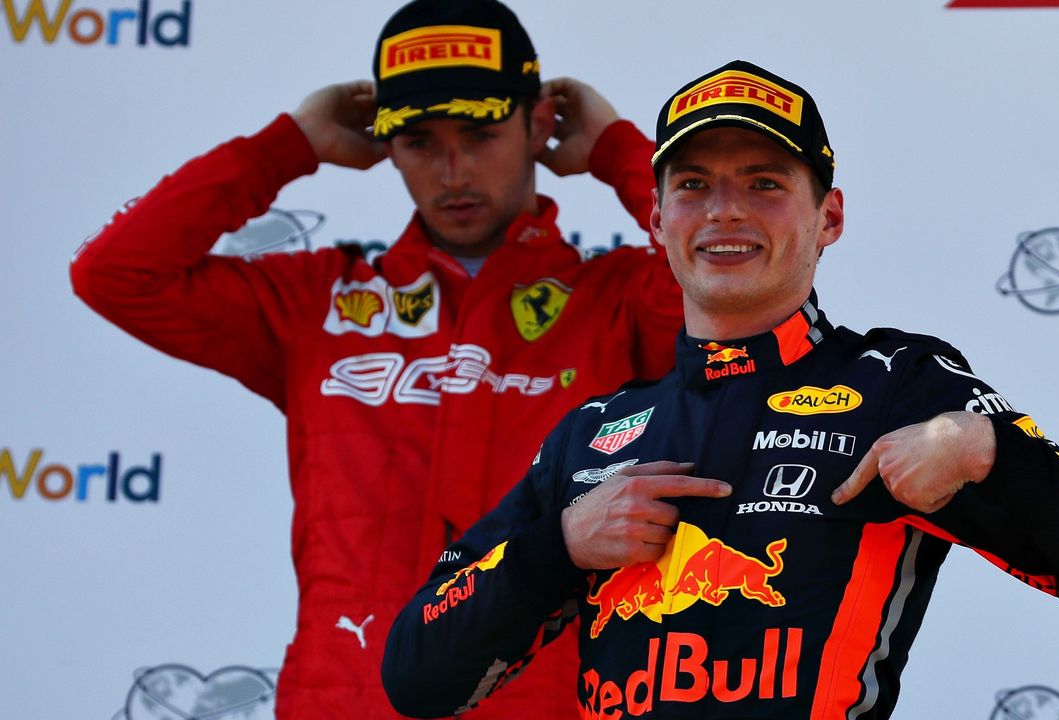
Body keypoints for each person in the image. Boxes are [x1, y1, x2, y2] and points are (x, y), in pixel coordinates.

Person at [380, 60, 1059, 719]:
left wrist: (989, 454)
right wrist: (556, 551)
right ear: (658, 220)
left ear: (828, 217)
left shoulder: (898, 383)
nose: (725, 212)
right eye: (693, 185)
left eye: (765, 183)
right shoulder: (595, 431)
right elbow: (419, 681)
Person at [69, 0, 683, 718]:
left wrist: (619, 149)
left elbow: (733, 280)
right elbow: (114, 275)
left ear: (540, 122)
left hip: (552, 701)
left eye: (481, 133)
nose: (453, 169)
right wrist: (285, 146)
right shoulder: (314, 303)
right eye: (419, 141)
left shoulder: (621, 300)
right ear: (386, 144)